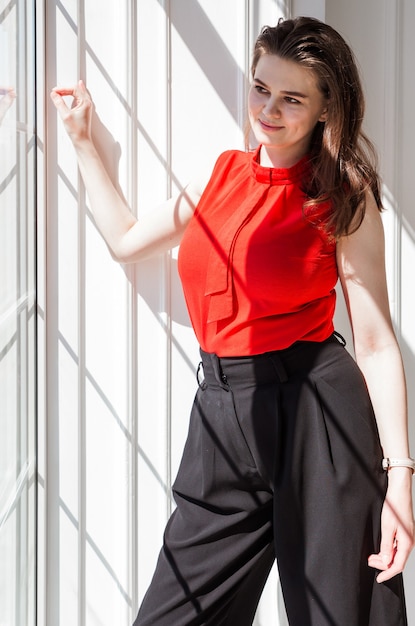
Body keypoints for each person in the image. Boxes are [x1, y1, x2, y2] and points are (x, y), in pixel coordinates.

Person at [51, 16, 414, 626]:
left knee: (340, 616)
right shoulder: (220, 175)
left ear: (327, 108)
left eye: (291, 98)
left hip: (317, 416)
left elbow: (375, 341)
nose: (268, 109)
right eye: (260, 88)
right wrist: (83, 140)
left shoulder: (342, 193)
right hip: (222, 414)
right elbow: (126, 239)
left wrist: (401, 481)